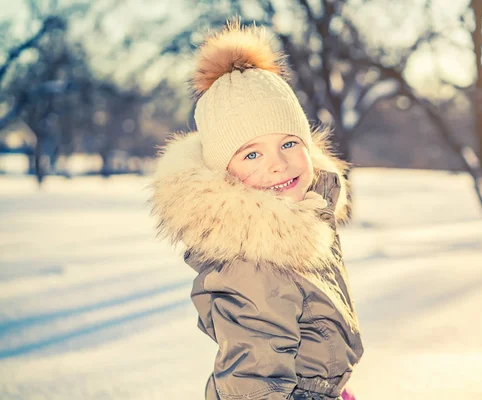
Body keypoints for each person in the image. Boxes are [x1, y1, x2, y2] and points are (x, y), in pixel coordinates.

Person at [149, 18, 363, 400]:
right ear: (224, 172)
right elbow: (250, 384)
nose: (278, 164)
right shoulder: (252, 262)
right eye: (251, 153)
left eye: (288, 143)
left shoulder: (305, 219)